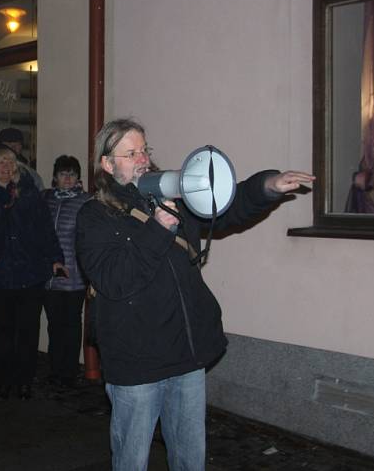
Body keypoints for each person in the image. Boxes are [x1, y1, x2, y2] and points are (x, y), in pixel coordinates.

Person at [75, 119, 314, 470]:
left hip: (185, 356)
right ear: (108, 165)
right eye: (130, 153)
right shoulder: (94, 216)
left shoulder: (172, 197)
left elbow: (225, 205)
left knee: (190, 457)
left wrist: (269, 185)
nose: (142, 158)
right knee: (132, 458)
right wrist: (158, 227)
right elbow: (115, 280)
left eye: (144, 150)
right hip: (137, 362)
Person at [0, 144, 65, 401]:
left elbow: (45, 229)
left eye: (10, 162)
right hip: (2, 274)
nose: (6, 168)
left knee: (28, 331)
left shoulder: (29, 192)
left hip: (31, 272)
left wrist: (55, 258)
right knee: (4, 331)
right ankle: (5, 380)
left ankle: (25, 381)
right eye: (0, 163)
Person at [42, 155, 92, 389]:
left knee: (71, 324)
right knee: (54, 324)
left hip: (75, 278)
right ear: (55, 177)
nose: (68, 179)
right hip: (49, 278)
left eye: (72, 174)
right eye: (63, 174)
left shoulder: (86, 202)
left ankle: (68, 372)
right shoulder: (46, 200)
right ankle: (54, 369)